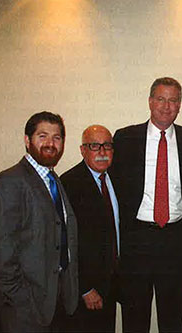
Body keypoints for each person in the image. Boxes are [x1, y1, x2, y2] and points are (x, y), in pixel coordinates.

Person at [112, 77, 182, 332]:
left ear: (180, 105)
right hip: (137, 238)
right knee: (135, 317)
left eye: (173, 100)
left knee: (173, 319)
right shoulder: (126, 138)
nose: (166, 106)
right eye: (161, 99)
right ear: (150, 102)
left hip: (175, 241)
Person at [0, 111, 78, 332]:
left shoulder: (53, 180)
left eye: (57, 137)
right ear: (27, 141)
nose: (50, 143)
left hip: (56, 302)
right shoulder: (9, 181)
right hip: (23, 309)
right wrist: (23, 300)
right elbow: (1, 252)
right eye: (42, 136)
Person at [60, 125, 120, 332]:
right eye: (95, 146)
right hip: (86, 290)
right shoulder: (69, 184)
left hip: (111, 284)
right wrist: (84, 288)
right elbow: (64, 242)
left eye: (107, 146)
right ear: (83, 150)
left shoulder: (118, 179)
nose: (102, 152)